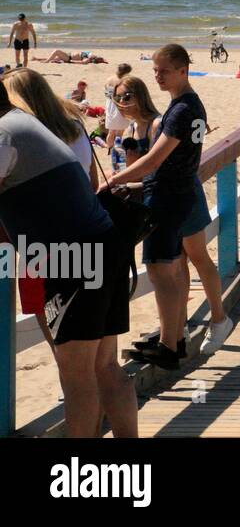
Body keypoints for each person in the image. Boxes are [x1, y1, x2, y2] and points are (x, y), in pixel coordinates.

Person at [0, 78, 138, 437]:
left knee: (76, 375)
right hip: (104, 243)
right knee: (105, 366)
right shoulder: (23, 123)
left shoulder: (5, 134)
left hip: (72, 256)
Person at [99, 43, 206, 371]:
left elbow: (154, 159)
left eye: (164, 71)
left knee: (161, 270)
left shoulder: (182, 110)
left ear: (183, 70)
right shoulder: (188, 105)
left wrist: (113, 182)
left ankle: (169, 346)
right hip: (180, 193)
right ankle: (174, 337)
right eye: (155, 70)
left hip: (167, 196)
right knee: (170, 267)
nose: (158, 76)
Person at [103, 63, 131, 151]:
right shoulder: (122, 81)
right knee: (120, 131)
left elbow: (106, 92)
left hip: (110, 104)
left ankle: (109, 148)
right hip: (119, 105)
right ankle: (117, 148)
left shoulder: (109, 79)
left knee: (111, 131)